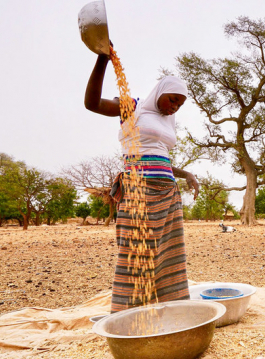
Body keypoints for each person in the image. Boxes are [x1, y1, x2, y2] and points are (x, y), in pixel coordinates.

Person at [84, 47, 200, 313]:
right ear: (160, 92)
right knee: (135, 254)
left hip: (168, 193)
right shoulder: (132, 108)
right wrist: (103, 58)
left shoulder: (169, 121)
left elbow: (160, 158)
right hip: (138, 190)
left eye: (180, 104)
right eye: (172, 100)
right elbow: (92, 104)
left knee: (170, 255)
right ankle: (129, 317)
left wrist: (186, 174)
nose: (174, 107)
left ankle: (172, 312)